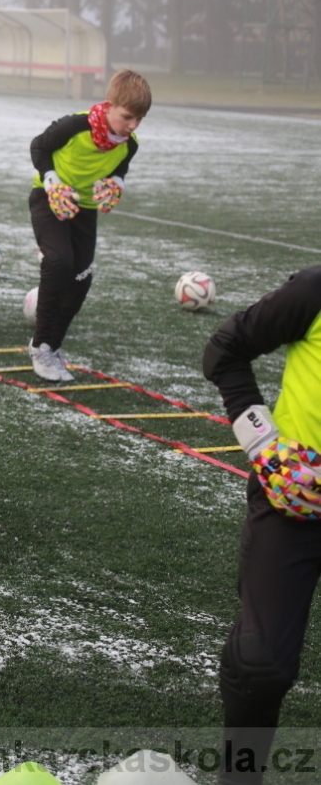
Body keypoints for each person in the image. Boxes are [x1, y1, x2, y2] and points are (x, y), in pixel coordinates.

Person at [202, 265, 321, 785]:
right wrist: (263, 445)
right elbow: (225, 349)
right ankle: (239, 779)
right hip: (293, 504)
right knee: (259, 665)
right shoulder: (316, 291)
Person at [23, 68, 151, 380]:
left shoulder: (129, 143)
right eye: (127, 116)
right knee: (59, 263)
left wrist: (117, 182)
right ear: (109, 105)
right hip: (50, 198)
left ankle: (53, 346)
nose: (132, 126)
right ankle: (39, 346)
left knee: (81, 279)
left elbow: (120, 166)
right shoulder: (74, 125)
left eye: (140, 119)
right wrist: (52, 182)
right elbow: (38, 146)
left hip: (85, 210)